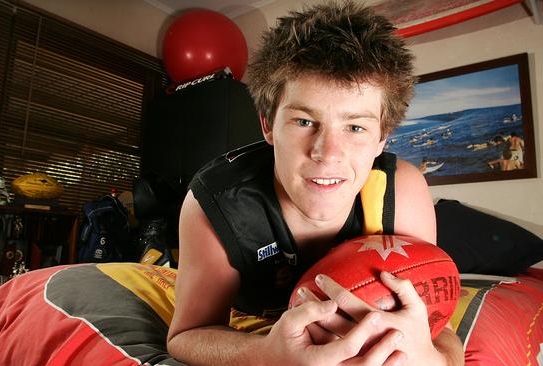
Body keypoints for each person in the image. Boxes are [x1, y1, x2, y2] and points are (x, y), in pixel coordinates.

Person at [167, 2, 464, 365]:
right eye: (304, 122)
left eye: (355, 127)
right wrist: (264, 354)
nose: (327, 153)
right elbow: (186, 334)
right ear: (268, 125)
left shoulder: (401, 190)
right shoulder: (216, 198)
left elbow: (436, 322)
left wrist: (434, 361)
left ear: (382, 138)